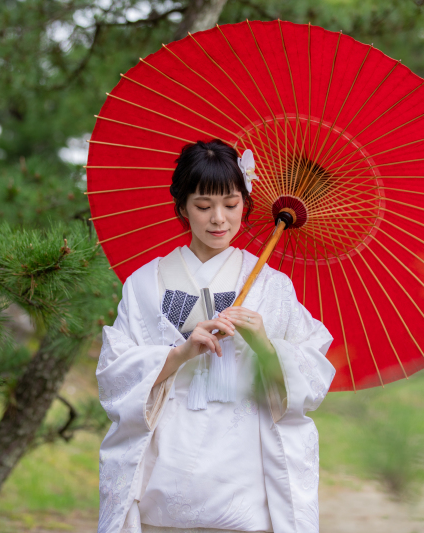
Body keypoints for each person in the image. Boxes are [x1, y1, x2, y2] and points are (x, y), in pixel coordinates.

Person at [96, 139, 336, 533]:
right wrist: (180, 353)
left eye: (231, 204)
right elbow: (114, 372)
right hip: (169, 461)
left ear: (246, 202)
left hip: (245, 466)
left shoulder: (271, 287)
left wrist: (265, 344)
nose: (219, 219)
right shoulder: (144, 283)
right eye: (203, 206)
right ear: (182, 208)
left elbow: (311, 374)